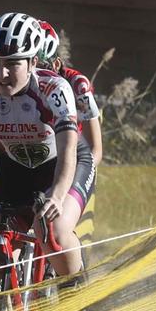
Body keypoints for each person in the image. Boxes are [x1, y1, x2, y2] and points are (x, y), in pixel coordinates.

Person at [0, 14, 84, 280]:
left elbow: (67, 151)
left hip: (61, 163)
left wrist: (57, 194)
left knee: (55, 235)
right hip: (14, 168)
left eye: (12, 64)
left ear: (32, 62)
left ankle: (75, 295)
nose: (1, 74)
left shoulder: (54, 88)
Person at [35, 21, 102, 226]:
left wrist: (66, 186)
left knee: (56, 227)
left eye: (40, 67)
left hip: (75, 156)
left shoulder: (78, 86)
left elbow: (95, 149)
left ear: (56, 65)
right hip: (40, 154)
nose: (33, 77)